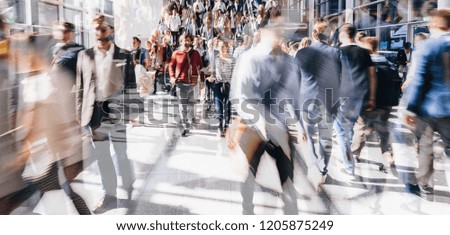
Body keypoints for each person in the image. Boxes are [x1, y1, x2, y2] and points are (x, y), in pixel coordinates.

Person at [231, 24, 303, 215]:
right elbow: (240, 96)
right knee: (248, 175)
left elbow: (295, 97)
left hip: (275, 127)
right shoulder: (248, 59)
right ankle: (248, 211)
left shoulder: (289, 63)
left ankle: (289, 215)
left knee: (286, 178)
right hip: (256, 126)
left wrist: (298, 125)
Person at [75, 14, 135, 213]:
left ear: (111, 30)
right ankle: (109, 194)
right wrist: (79, 115)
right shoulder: (85, 56)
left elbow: (131, 86)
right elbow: (81, 87)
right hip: (95, 114)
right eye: (96, 30)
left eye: (103, 29)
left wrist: (132, 112)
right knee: (102, 156)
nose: (99, 34)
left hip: (116, 111)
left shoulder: (124, 55)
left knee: (120, 153)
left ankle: (128, 181)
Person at [295, 19, 348, 190]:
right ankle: (323, 169)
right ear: (330, 35)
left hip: (306, 102)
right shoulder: (337, 54)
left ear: (313, 34)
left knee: (309, 136)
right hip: (328, 101)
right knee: (325, 138)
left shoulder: (301, 54)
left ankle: (313, 166)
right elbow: (347, 81)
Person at [403, 9, 450, 198]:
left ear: (435, 24)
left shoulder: (428, 46)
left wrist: (411, 109)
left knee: (426, 148)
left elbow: (420, 81)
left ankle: (425, 184)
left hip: (428, 109)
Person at [169, 33, 204, 137]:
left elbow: (201, 66)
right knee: (183, 106)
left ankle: (190, 119)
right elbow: (171, 66)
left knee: (192, 105)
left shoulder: (196, 53)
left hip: (193, 83)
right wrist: (172, 77)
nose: (187, 42)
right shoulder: (176, 53)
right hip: (181, 83)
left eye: (188, 40)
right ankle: (184, 125)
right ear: (181, 41)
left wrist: (202, 81)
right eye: (185, 40)